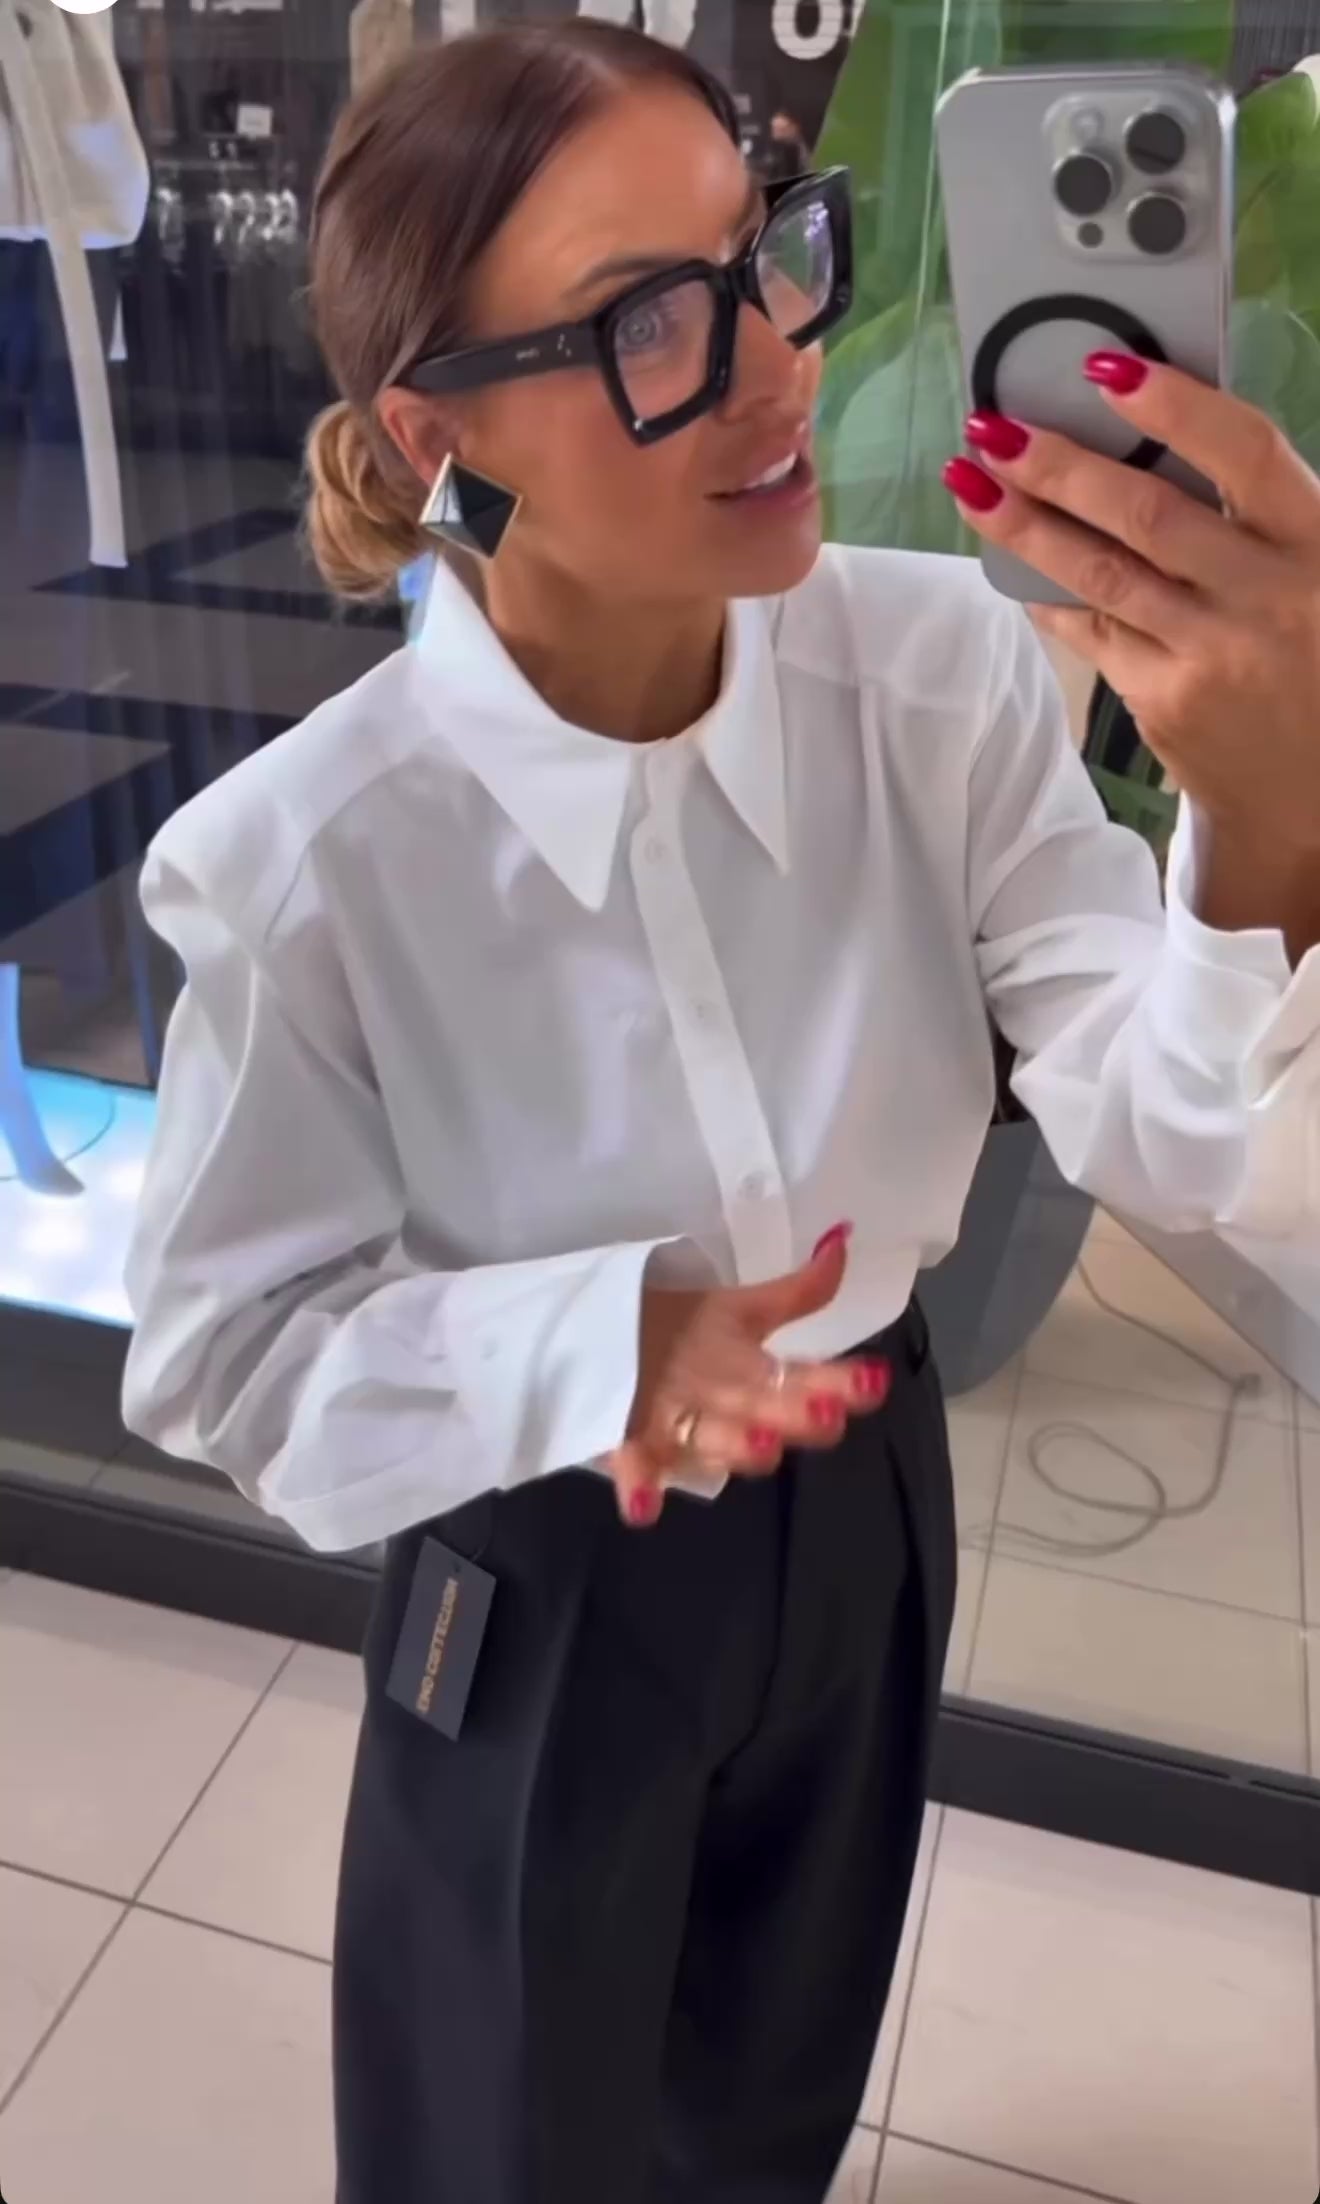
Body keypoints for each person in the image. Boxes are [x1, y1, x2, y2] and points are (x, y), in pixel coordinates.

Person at [121, 20, 1320, 2204]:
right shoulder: (312, 860)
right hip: (542, 1550)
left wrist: (1265, 818)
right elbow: (222, 1356)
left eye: (765, 254)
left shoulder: (940, 675)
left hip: (870, 1499)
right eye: (646, 322)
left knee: (776, 2086)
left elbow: (1174, 1134)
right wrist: (592, 1347)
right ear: (439, 428)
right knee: (500, 2126)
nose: (777, 363)